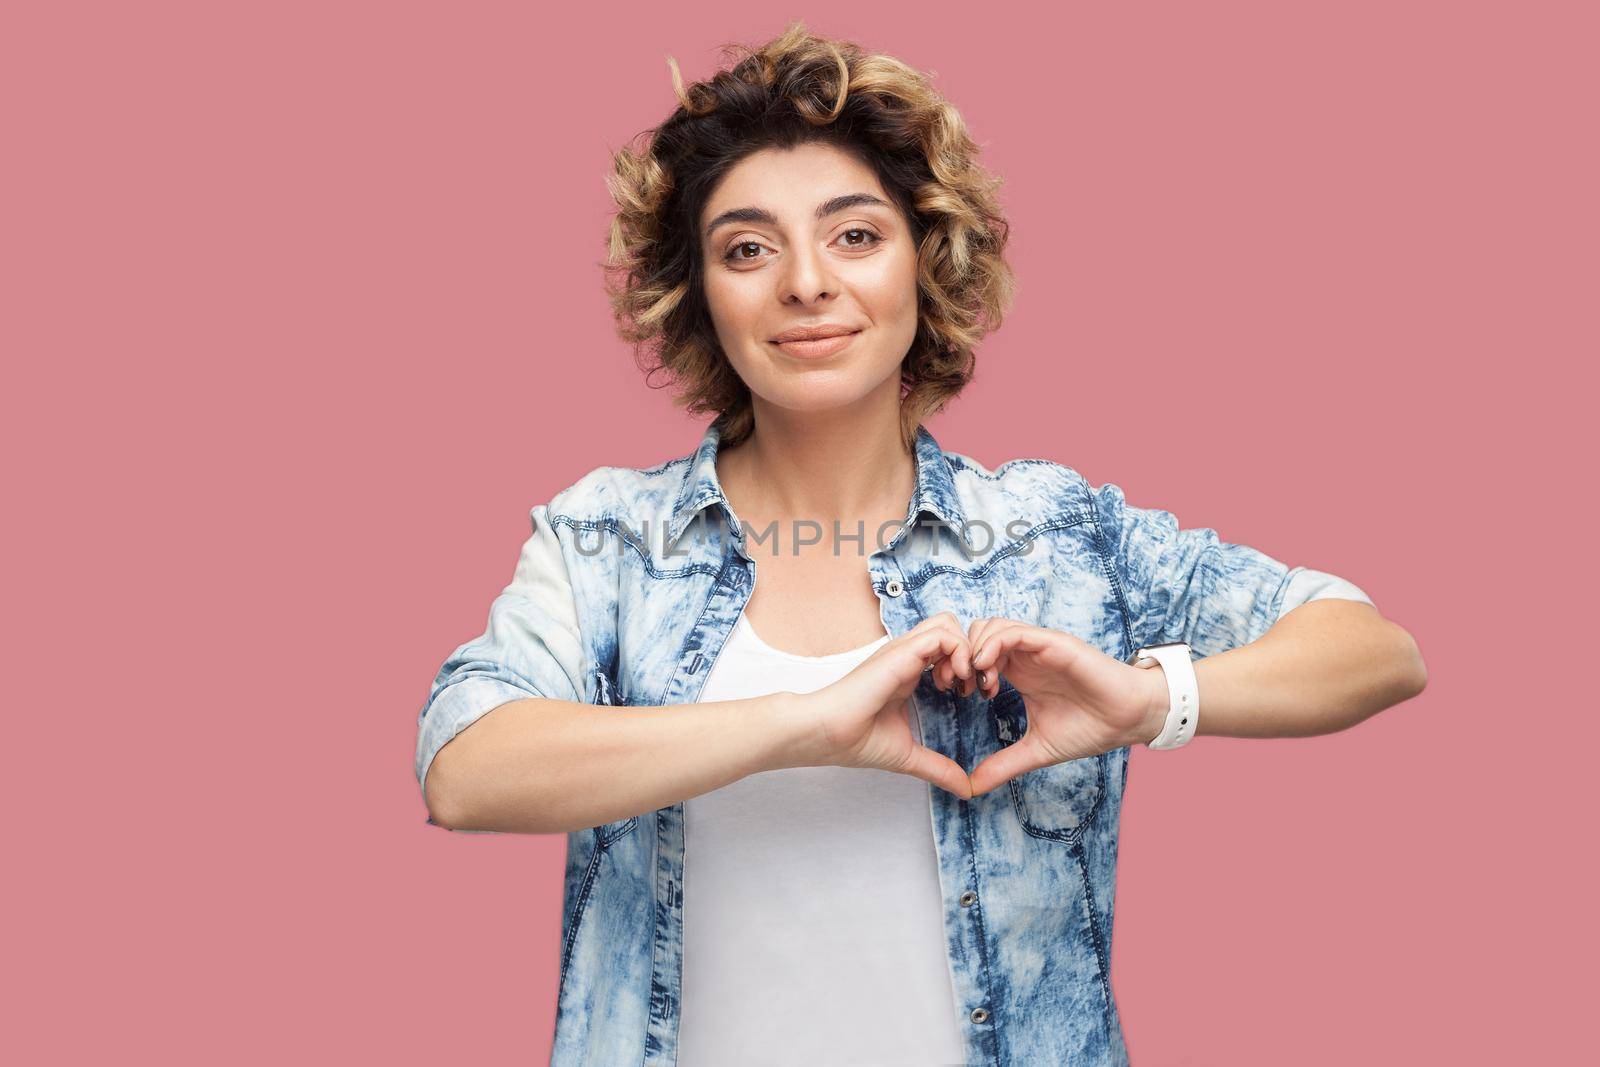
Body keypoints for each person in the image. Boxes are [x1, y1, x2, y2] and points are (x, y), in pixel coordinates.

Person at [412, 22, 1427, 1067]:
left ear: (924, 260)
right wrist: (798, 723)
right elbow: (464, 766)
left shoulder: (1050, 532)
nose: (805, 282)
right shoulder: (610, 538)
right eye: (747, 248)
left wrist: (1148, 699)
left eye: (854, 234)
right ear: (700, 296)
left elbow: (1374, 649)